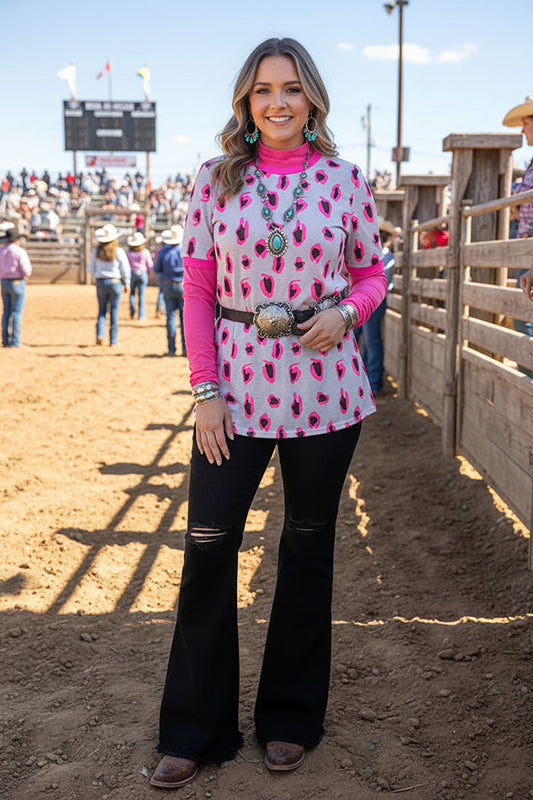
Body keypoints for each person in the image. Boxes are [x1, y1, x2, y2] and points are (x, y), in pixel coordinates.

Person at [150, 38, 386, 789]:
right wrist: (204, 390)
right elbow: (194, 287)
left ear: (311, 97)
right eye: (261, 91)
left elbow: (371, 272)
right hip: (236, 390)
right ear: (245, 104)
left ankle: (289, 717)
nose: (276, 102)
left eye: (289, 89)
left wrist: (347, 313)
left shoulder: (346, 180)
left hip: (326, 389)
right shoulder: (214, 181)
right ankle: (195, 729)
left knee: (307, 548)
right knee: (210, 546)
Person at [503, 94, 533, 376]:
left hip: (530, 245)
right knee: (523, 317)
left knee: (525, 319)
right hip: (526, 245)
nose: (522, 130)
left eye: (525, 123)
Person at [355, 219, 398, 394]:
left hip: (375, 302)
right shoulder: (377, 254)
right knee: (364, 340)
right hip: (366, 301)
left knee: (371, 341)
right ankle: (366, 380)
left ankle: (374, 383)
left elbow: (380, 284)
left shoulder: (385, 256)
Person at [88, 223, 130, 346]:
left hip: (101, 281)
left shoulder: (96, 251)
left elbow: (90, 268)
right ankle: (113, 340)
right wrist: (127, 283)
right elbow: (125, 269)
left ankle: (100, 334)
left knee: (101, 310)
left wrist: (95, 276)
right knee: (114, 312)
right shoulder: (118, 251)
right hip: (115, 282)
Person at [153, 226, 186, 356]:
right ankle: (185, 348)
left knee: (171, 317)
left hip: (167, 284)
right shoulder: (183, 250)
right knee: (184, 318)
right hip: (182, 284)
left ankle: (171, 349)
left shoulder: (163, 252)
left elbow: (156, 268)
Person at [0, 224, 32, 347]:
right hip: (17, 281)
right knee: (17, 312)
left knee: (6, 312)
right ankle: (15, 340)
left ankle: (5, 339)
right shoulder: (19, 251)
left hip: (4, 281)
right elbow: (26, 269)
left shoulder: (1, 251)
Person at [125, 231, 153, 320]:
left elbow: (126, 264)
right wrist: (149, 273)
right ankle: (141, 315)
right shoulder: (145, 252)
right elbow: (149, 264)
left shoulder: (128, 253)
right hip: (142, 273)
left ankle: (132, 311)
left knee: (132, 293)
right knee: (141, 295)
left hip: (131, 273)